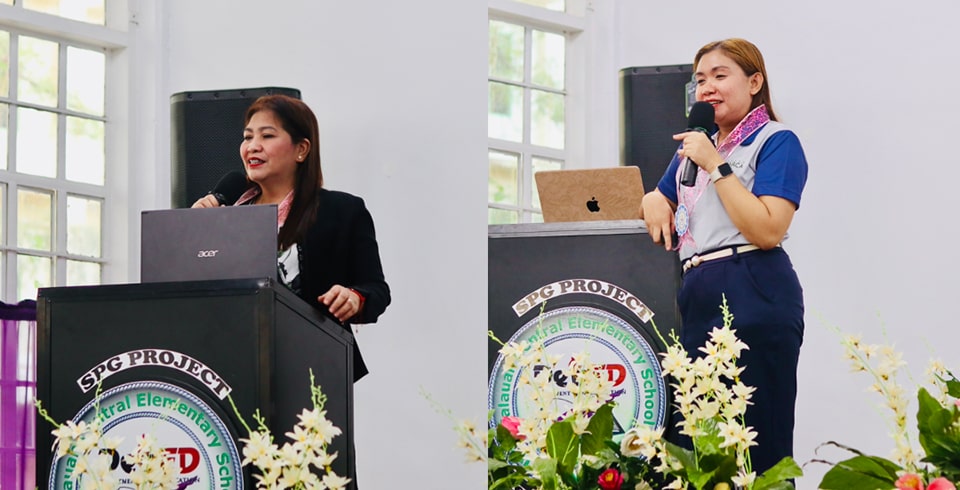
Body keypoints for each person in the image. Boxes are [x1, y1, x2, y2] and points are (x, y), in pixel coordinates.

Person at [640, 38, 807, 475]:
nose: (706, 88)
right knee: (695, 443)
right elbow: (660, 199)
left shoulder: (776, 140)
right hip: (695, 295)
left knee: (754, 441)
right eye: (699, 80)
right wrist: (652, 199)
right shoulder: (696, 148)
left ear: (755, 82)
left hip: (752, 286)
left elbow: (769, 229)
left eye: (719, 76)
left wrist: (717, 166)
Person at [193, 94, 391, 383]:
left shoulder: (341, 211)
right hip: (224, 368)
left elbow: (376, 290)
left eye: (267, 135)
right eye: (248, 137)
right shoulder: (226, 211)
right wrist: (198, 230)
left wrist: (354, 298)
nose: (253, 146)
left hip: (310, 369)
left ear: (301, 149)